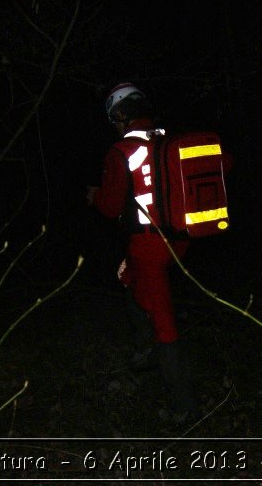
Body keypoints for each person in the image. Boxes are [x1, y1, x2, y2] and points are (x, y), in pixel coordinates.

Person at [87, 82, 196, 419]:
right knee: (126, 277)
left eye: (114, 120)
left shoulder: (120, 152)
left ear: (121, 116)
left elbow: (108, 206)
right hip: (180, 240)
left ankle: (183, 408)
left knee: (164, 321)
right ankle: (145, 349)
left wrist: (93, 196)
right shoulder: (167, 140)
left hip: (150, 246)